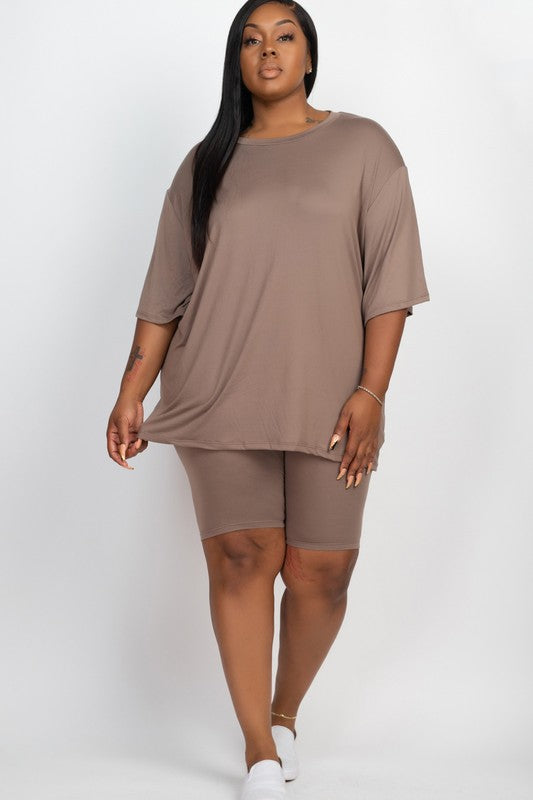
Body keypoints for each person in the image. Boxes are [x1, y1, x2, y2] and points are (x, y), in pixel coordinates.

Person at [106, 1, 430, 797]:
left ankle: (284, 714)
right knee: (243, 559)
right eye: (250, 40)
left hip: (332, 397)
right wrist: (130, 392)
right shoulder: (206, 164)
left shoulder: (363, 147)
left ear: (309, 56)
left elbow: (388, 283)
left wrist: (371, 391)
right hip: (216, 391)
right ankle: (257, 750)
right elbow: (165, 293)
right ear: (237, 60)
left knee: (322, 571)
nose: (268, 50)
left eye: (284, 36)